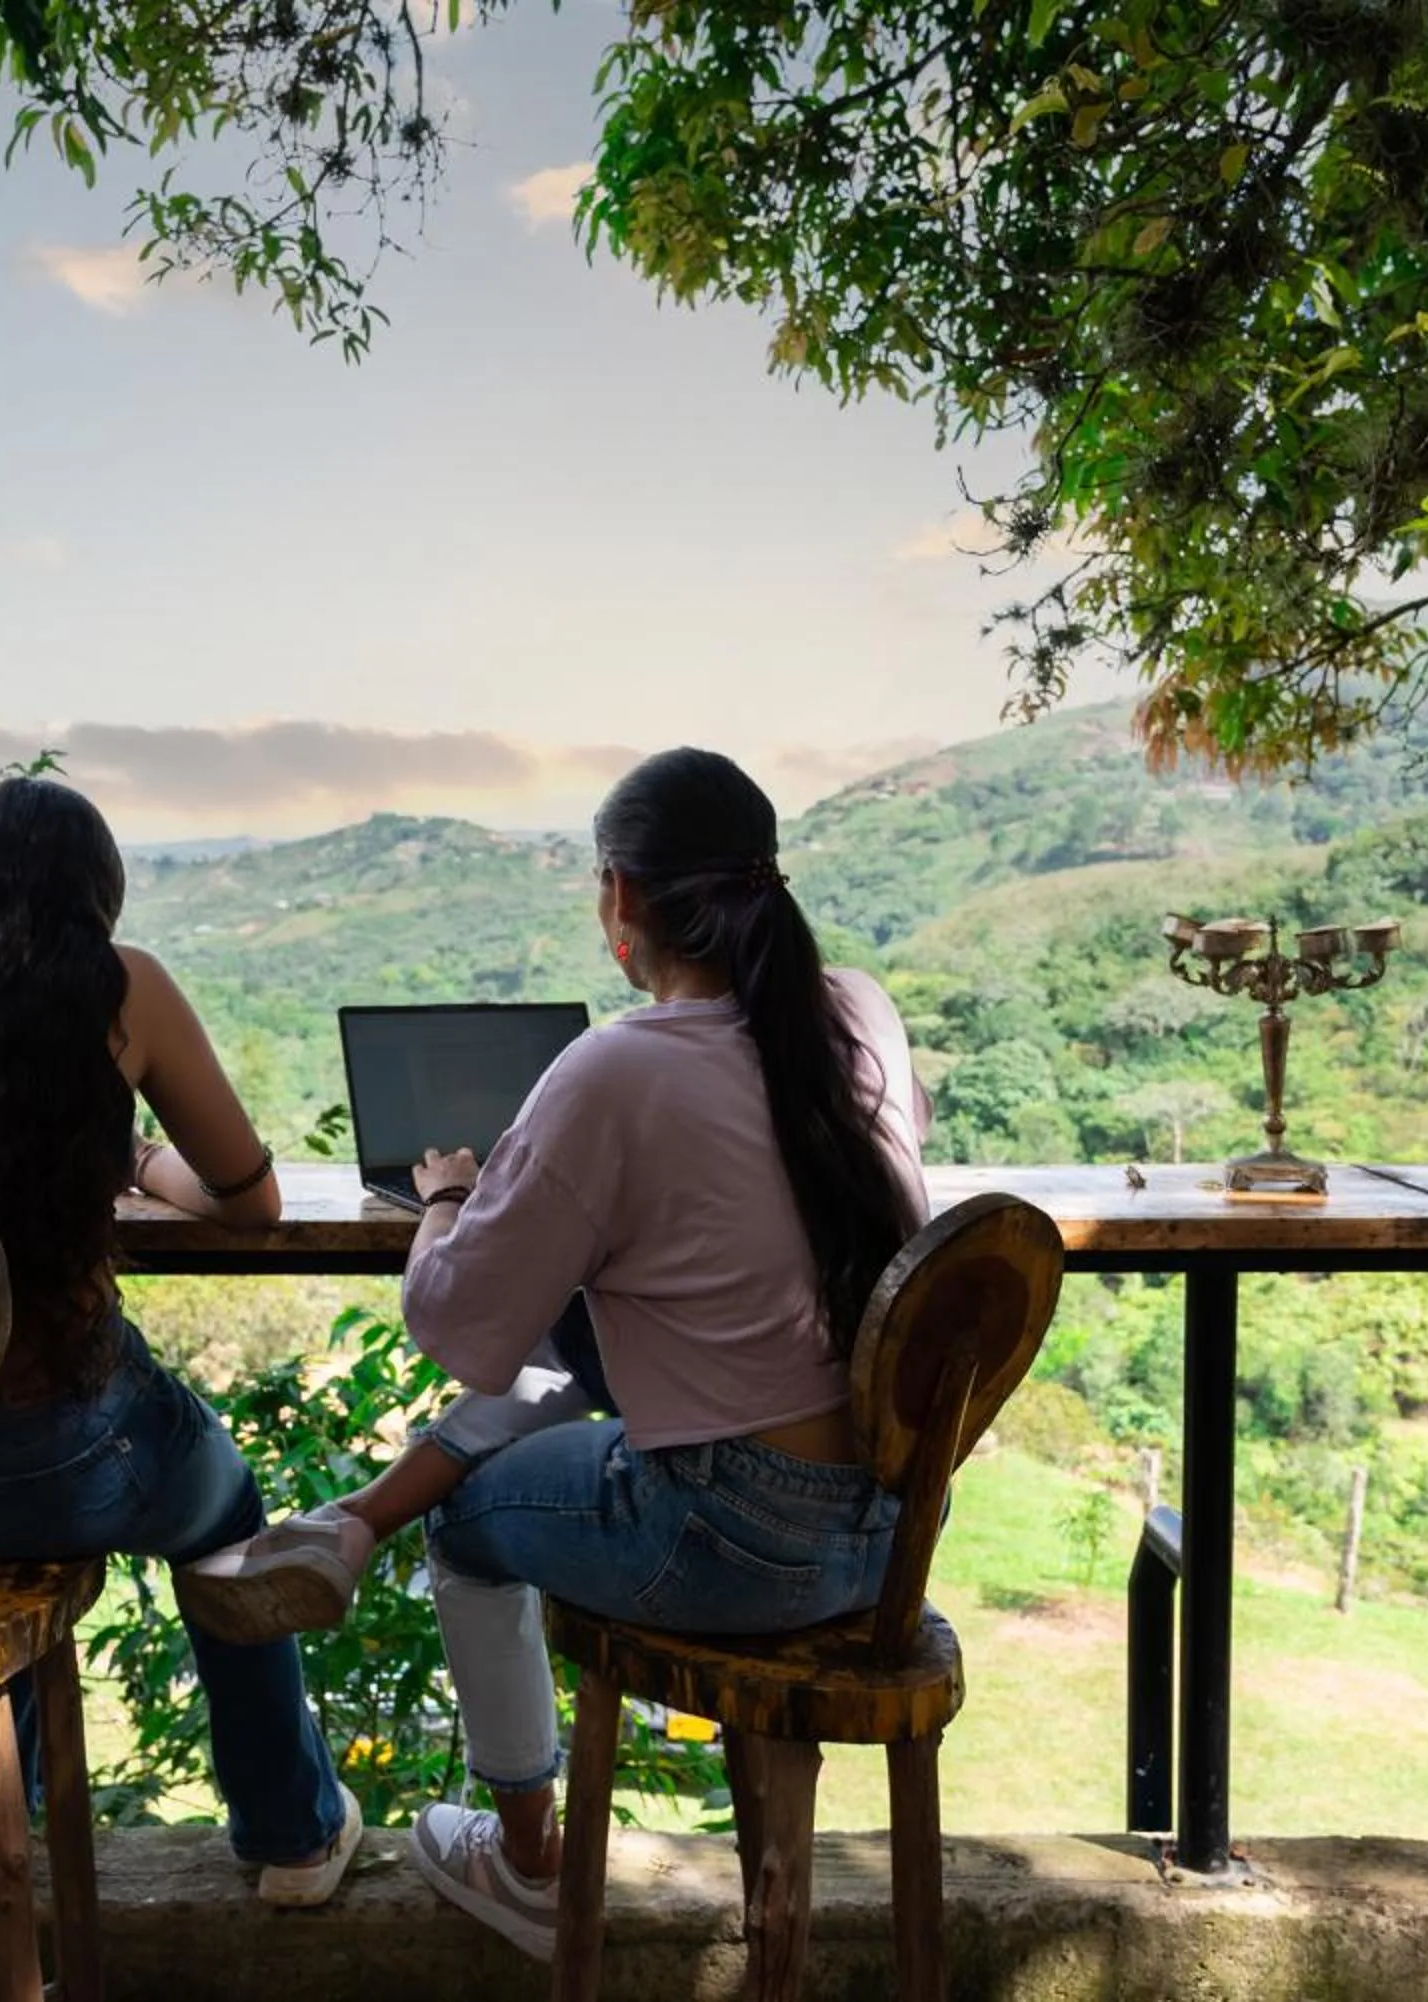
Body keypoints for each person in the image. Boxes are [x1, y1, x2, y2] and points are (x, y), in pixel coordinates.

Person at [183, 746, 929, 1958]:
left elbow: (459, 1323)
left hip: (733, 1540)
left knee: (474, 1516)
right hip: (891, 1532)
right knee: (582, 1344)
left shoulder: (615, 1068)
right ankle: (357, 1518)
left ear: (620, 900)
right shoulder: (855, 1016)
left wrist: (445, 1198)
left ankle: (528, 1856)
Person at [0, 775, 361, 1907]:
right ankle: (291, 1835)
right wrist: (141, 1159)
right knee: (223, 1501)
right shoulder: (122, 987)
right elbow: (252, 1200)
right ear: (97, 892)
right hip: (48, 1467)